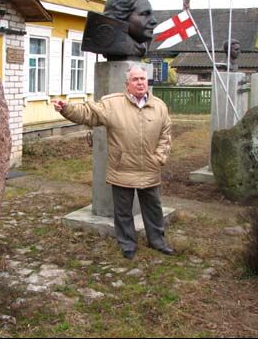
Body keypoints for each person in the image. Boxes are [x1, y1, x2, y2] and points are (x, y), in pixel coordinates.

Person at [53, 65, 174, 260]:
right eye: (135, 79)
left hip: (150, 168)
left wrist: (159, 157)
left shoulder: (159, 106)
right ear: (127, 85)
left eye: (143, 78)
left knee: (153, 208)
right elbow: (88, 113)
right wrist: (66, 108)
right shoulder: (113, 104)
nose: (140, 82)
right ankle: (127, 245)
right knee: (123, 211)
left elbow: (165, 134)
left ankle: (157, 241)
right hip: (122, 168)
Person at [82, 0, 157, 59]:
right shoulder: (115, 47)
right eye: (144, 14)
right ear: (120, 17)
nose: (154, 21)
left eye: (151, 15)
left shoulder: (141, 48)